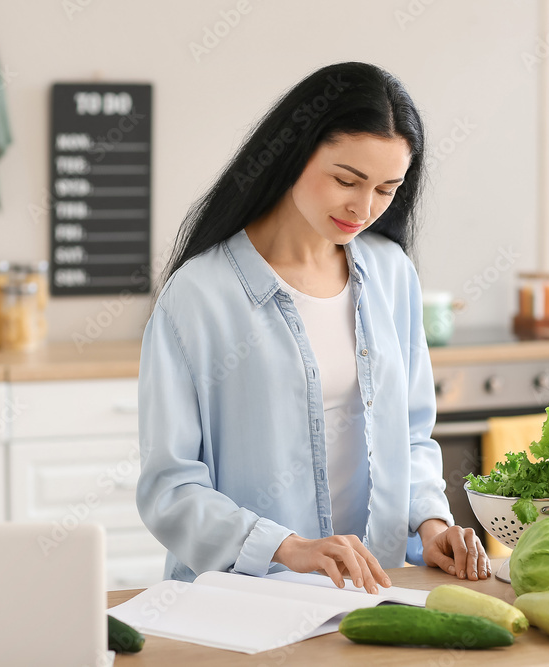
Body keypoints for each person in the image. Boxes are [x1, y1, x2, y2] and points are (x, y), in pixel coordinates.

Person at [136, 62, 489, 595]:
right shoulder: (199, 295)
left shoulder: (392, 274)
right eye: (347, 180)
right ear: (293, 153)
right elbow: (171, 487)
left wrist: (431, 523)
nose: (363, 208)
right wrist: (288, 548)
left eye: (386, 189)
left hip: (374, 596)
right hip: (244, 601)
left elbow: (411, 438)